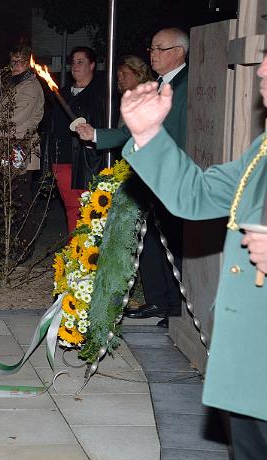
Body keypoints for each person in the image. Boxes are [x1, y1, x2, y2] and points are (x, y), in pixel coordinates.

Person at [120, 59, 267, 460]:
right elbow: (197, 195)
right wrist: (149, 135)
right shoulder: (263, 149)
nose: (262, 67)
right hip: (252, 368)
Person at [75, 29, 188, 327]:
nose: (153, 54)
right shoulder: (154, 87)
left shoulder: (188, 85)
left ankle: (178, 311)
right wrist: (95, 135)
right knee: (150, 240)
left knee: (175, 244)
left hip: (172, 175)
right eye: (151, 48)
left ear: (179, 52)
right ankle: (159, 301)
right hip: (149, 177)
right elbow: (131, 131)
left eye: (160, 49)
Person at [0, 44, 45, 249]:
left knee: (20, 199)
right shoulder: (7, 85)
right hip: (0, 148)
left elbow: (16, 118)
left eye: (20, 61)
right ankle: (7, 244)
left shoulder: (31, 87)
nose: (15, 65)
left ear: (29, 63)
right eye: (13, 61)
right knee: (4, 200)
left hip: (19, 148)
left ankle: (24, 246)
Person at [45, 46, 108, 235]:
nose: (75, 66)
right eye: (73, 62)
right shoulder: (62, 94)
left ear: (92, 65)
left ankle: (93, 247)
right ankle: (77, 248)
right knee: (73, 208)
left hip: (89, 160)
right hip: (63, 160)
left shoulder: (100, 95)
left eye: (80, 62)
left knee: (92, 208)